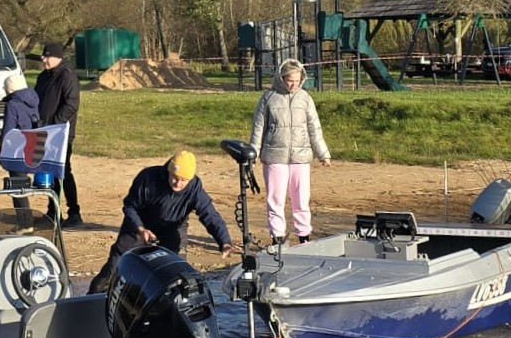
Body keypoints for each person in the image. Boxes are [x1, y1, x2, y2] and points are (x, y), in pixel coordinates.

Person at [88, 150, 235, 293]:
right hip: (140, 224)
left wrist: (224, 241)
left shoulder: (195, 189)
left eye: (183, 180)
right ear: (168, 171)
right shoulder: (148, 178)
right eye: (175, 177)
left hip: (173, 229)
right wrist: (140, 229)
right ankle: (92, 297)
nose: (178, 183)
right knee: (115, 266)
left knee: (177, 274)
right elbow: (130, 206)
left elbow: (210, 215)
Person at [249, 58, 331, 245]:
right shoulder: (268, 98)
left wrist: (323, 153)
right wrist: (253, 154)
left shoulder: (305, 98)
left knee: (301, 199)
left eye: (296, 80)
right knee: (275, 199)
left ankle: (304, 238)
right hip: (274, 157)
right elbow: (258, 128)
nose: (293, 84)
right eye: (289, 80)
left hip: (300, 158)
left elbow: (314, 128)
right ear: (281, 78)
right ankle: (277, 238)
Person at [34, 41, 82, 226]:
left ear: (57, 58)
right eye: (43, 56)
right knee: (48, 171)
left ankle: (74, 212)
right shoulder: (43, 77)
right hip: (44, 132)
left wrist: (55, 125)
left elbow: (71, 104)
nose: (43, 59)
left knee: (63, 171)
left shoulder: (67, 76)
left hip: (61, 134)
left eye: (47, 56)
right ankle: (53, 210)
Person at [0, 72, 40, 231]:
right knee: (22, 184)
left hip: (17, 149)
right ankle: (26, 221)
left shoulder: (12, 105)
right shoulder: (34, 100)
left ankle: (25, 223)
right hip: (33, 145)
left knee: (17, 186)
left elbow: (8, 130)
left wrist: (4, 150)